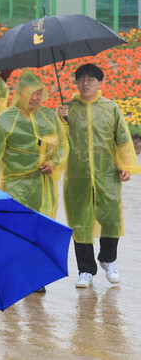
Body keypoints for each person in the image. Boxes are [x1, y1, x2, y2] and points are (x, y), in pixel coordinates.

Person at [58, 63, 141, 288]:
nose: (85, 84)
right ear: (76, 82)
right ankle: (85, 270)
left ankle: (108, 259)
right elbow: (58, 141)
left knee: (111, 219)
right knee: (80, 222)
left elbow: (122, 138)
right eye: (81, 79)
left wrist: (125, 164)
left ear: (100, 83)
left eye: (91, 79)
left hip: (107, 174)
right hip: (78, 175)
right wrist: (60, 120)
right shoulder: (67, 109)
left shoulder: (111, 108)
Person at [0, 70, 67, 218]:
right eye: (30, 93)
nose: (34, 98)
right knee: (15, 225)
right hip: (13, 185)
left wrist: (53, 163)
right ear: (20, 93)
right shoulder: (6, 119)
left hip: (41, 187)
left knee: (38, 228)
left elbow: (63, 145)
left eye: (38, 93)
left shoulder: (48, 117)